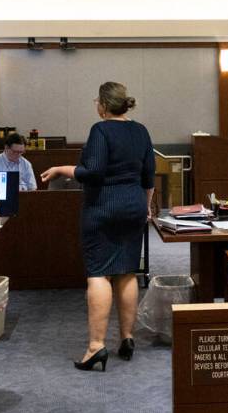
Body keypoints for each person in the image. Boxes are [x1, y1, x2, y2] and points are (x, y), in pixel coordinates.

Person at [40, 82, 155, 372]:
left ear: (103, 105)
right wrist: (146, 206)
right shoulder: (140, 131)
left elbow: (92, 173)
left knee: (99, 273)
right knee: (128, 270)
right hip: (134, 206)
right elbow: (149, 176)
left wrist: (62, 169)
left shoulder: (101, 130)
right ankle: (127, 338)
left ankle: (95, 346)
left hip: (104, 206)